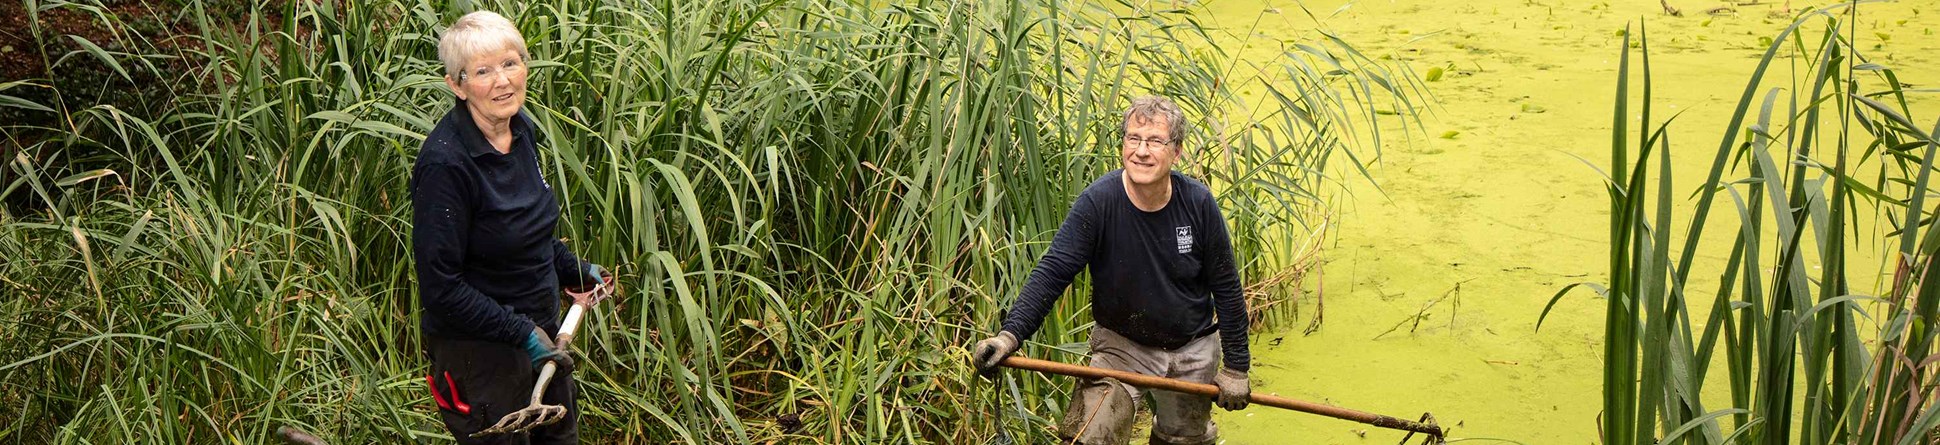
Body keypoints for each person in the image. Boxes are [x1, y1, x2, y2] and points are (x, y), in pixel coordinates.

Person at [972, 96, 1252, 445]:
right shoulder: (1099, 202)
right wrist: (1008, 337)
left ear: (1176, 152)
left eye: (1154, 141)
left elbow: (1226, 286)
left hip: (1192, 348)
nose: (1141, 151)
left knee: (1182, 440)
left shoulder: (1198, 203)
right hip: (1122, 348)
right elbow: (1054, 270)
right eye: (1133, 139)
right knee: (1091, 436)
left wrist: (1237, 367)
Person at [411, 10, 613, 444]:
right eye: (482, 71)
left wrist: (570, 268)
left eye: (510, 63)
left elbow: (527, 232)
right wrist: (519, 333)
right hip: (481, 358)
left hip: (542, 337)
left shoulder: (521, 130)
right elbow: (441, 289)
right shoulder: (445, 166)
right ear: (457, 85)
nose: (502, 81)